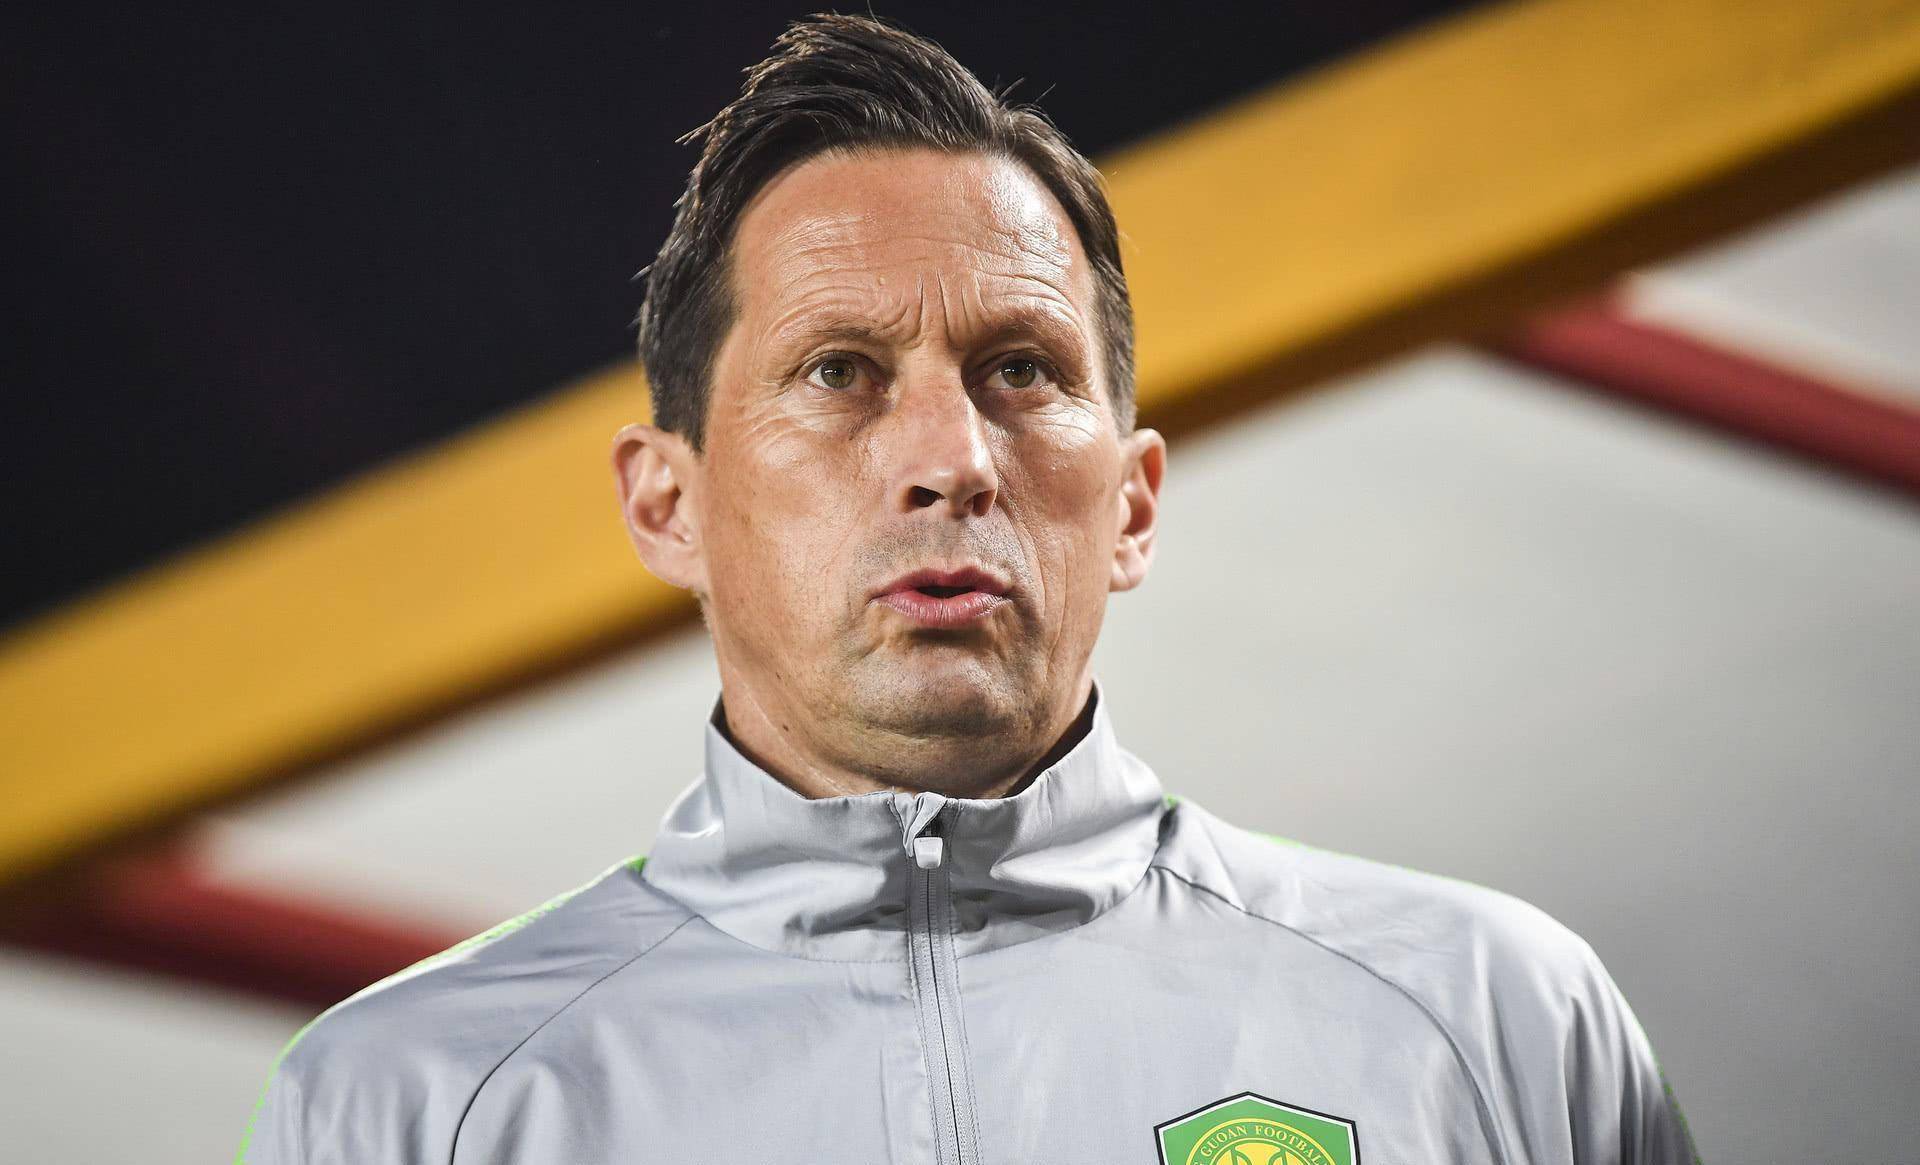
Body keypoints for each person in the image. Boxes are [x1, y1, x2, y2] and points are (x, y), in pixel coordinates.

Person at [236, 13, 1698, 1164]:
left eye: (1020, 369)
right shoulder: (410, 1103)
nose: (951, 460)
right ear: (667, 505)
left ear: (1132, 506)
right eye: (839, 371)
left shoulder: (1494, 1020)